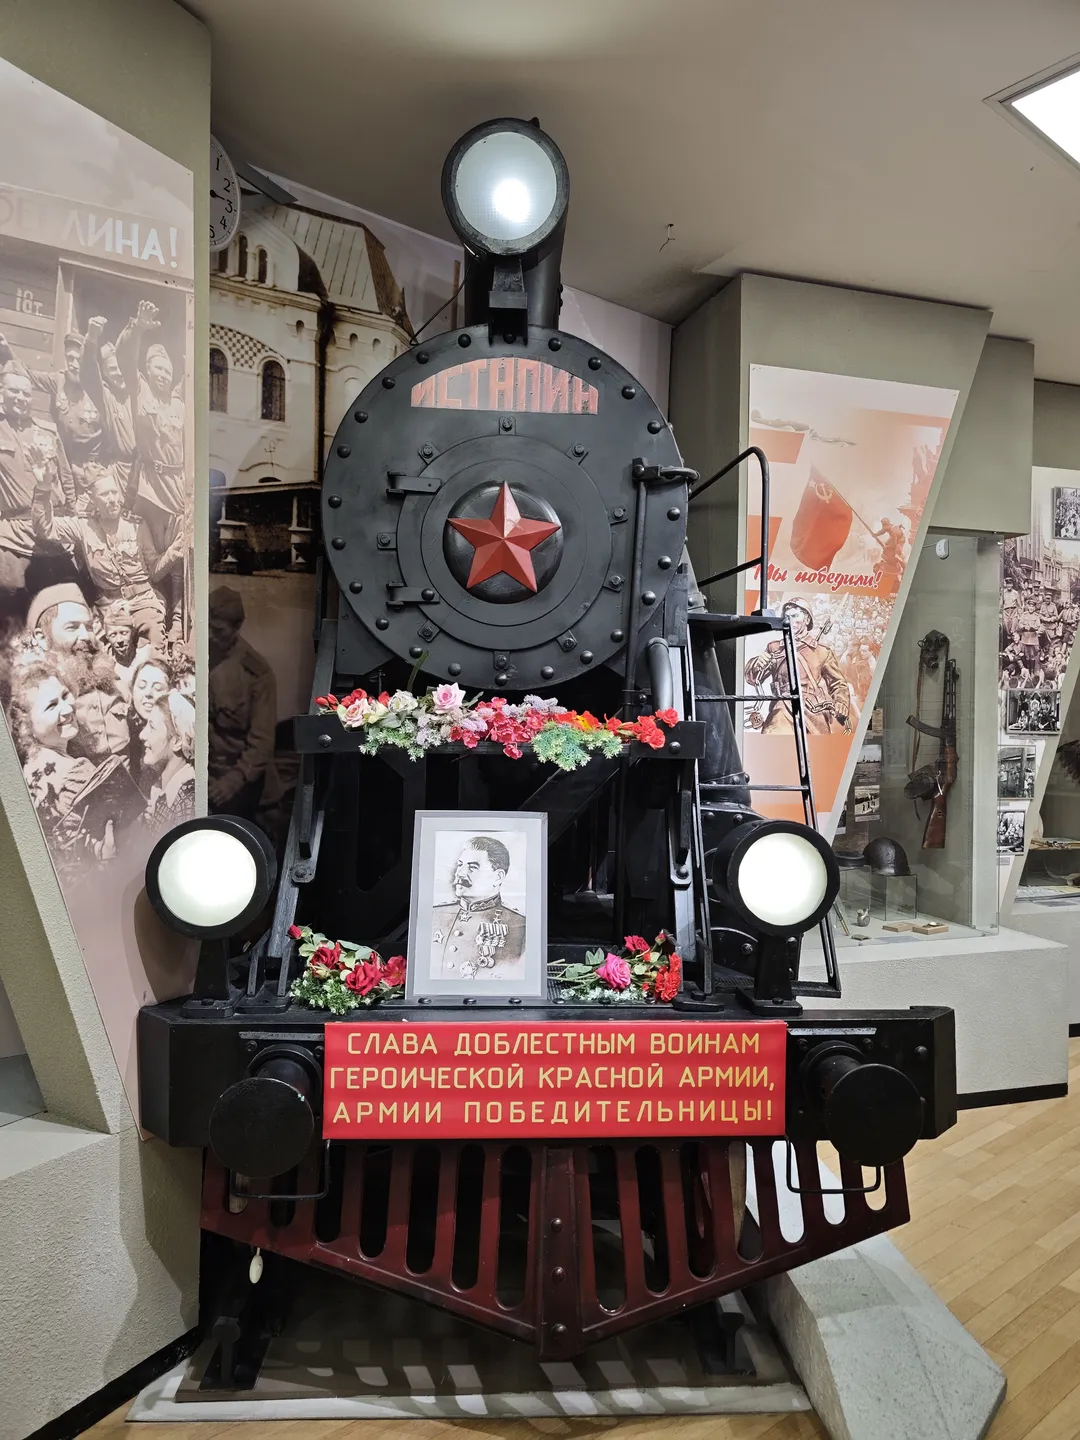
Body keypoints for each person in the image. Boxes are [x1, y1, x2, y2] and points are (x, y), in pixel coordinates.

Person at [31, 461, 171, 646]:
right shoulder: (82, 526)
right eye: (105, 494)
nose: (112, 499)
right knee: (100, 654)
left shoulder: (136, 524)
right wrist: (43, 488)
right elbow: (45, 529)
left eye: (114, 492)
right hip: (109, 606)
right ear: (92, 497)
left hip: (143, 601)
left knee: (153, 640)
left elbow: (154, 566)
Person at [0, 329, 103, 495]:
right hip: (62, 463)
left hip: (89, 469)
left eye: (79, 359)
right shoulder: (58, 380)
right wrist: (7, 352)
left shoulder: (98, 389)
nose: (75, 364)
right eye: (70, 358)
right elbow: (27, 376)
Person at [0, 369, 74, 589]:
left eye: (26, 393)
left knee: (69, 589)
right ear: (1, 392)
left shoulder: (48, 431)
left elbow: (66, 476)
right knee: (12, 588)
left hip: (52, 528)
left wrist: (72, 512)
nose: (21, 398)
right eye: (14, 391)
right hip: (15, 532)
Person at [207, 585, 277, 816]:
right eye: (206, 627)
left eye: (218, 630)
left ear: (237, 627)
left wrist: (234, 781)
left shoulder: (256, 672)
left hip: (249, 791)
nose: (210, 636)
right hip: (207, 781)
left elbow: (262, 741)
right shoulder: (198, 657)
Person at [745, 597, 852, 734]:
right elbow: (753, 678)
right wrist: (758, 663)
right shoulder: (775, 648)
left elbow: (838, 683)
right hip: (782, 707)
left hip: (813, 711)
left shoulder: (822, 652)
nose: (790, 620)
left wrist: (841, 702)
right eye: (787, 617)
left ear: (807, 619)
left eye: (795, 616)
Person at [429, 836, 526, 981]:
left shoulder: (520, 925)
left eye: (472, 867)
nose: (460, 873)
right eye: (460, 865)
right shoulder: (435, 914)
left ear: (498, 877)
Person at [141, 691, 196, 834]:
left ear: (177, 742)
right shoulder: (161, 788)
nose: (142, 735)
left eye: (152, 727)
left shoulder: (188, 803)